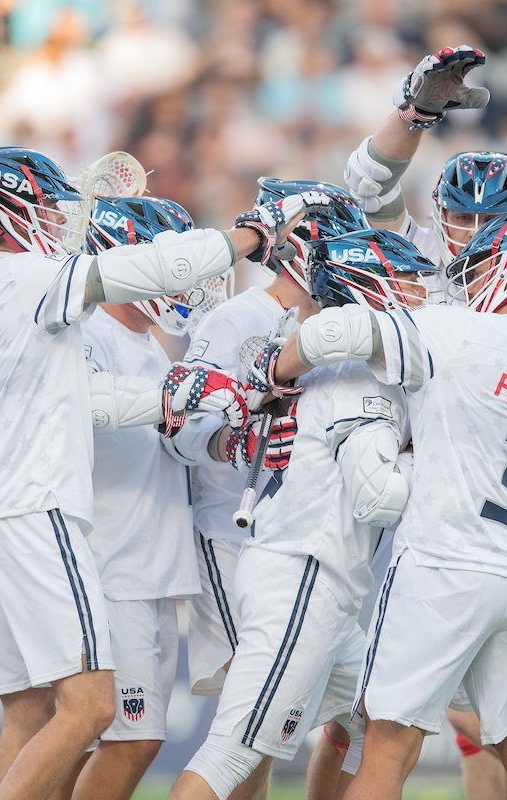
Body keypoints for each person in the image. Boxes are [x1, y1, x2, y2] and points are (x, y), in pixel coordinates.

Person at [0, 147, 324, 800]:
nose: (60, 221)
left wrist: (181, 397)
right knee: (92, 709)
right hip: (37, 509)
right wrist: (254, 234)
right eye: (45, 206)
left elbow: (82, 397)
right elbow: (148, 287)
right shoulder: (27, 280)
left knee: (33, 713)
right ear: (12, 209)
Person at [259, 211, 507, 800]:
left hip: (443, 566)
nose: (472, 279)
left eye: (489, 264)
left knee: (386, 743)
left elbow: (336, 334)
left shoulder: (454, 329)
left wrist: (273, 371)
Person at [167, 229, 436, 800]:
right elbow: (379, 497)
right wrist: (425, 463)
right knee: (230, 754)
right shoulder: (362, 381)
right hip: (305, 576)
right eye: (407, 282)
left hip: (311, 577)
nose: (418, 296)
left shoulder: (326, 370)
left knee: (372, 721)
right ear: (370, 288)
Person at [162, 177, 369, 800]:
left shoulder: (335, 321)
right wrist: (234, 439)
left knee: (359, 715)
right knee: (244, 740)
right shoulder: (238, 318)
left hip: (301, 539)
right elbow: (177, 429)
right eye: (339, 234)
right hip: (235, 535)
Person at [71, 195, 233, 800]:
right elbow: (85, 411)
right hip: (114, 563)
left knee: (130, 738)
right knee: (127, 738)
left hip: (153, 565)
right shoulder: (88, 332)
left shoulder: (147, 343)